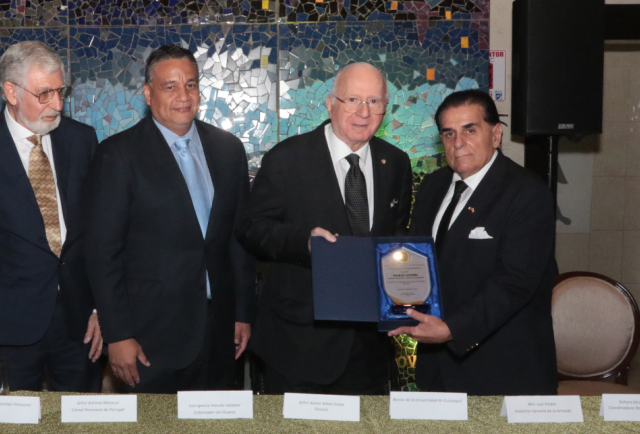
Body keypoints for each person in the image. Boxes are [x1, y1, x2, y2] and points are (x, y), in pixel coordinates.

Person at [84, 45, 256, 393]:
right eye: (170, 86)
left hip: (220, 332)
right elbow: (103, 253)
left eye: (191, 85)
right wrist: (118, 334)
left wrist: (242, 312)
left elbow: (238, 240)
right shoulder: (118, 154)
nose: (183, 96)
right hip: (150, 339)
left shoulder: (228, 149)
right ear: (148, 94)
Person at [236, 62, 413, 395]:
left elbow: (397, 237)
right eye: (353, 100)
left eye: (374, 101)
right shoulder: (287, 158)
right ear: (331, 103)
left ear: (385, 108)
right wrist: (304, 243)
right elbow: (251, 228)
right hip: (298, 345)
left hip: (369, 352)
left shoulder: (396, 162)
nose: (364, 112)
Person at [389, 89, 558, 396]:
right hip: (435, 367)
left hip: (501, 370)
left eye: (470, 130)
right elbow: (418, 260)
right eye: (448, 133)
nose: (458, 143)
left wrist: (452, 329)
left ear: (496, 134)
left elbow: (514, 283)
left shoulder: (527, 193)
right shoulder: (432, 186)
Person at [0, 41, 102, 392]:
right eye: (44, 94)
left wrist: (100, 310)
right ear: (11, 92)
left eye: (61, 91)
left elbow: (99, 234)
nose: (57, 105)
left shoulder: (81, 140)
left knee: (81, 417)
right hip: (9, 329)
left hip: (79, 324)